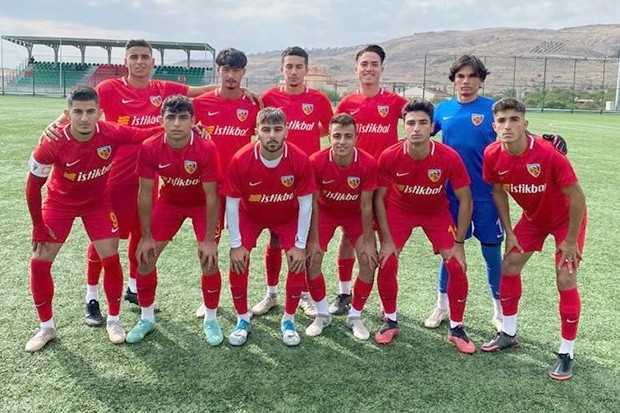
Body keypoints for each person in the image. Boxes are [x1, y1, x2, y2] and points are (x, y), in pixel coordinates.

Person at [40, 39, 240, 327]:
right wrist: (53, 126)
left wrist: (237, 89)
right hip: (116, 180)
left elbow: (198, 91)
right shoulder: (108, 88)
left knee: (140, 236)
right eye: (133, 56)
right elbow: (77, 108)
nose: (139, 62)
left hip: (150, 179)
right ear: (125, 61)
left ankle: (134, 287)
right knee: (103, 240)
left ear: (153, 62)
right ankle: (92, 296)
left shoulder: (163, 89)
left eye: (144, 57)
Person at [24, 86, 158, 352]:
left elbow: (146, 134)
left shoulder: (111, 132)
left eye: (90, 111)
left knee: (111, 259)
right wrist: (38, 226)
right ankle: (46, 327)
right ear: (67, 114)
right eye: (78, 112)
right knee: (39, 263)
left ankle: (114, 320)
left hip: (98, 204)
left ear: (100, 113)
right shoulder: (51, 143)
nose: (84, 118)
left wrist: (187, 128)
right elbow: (32, 187)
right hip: (59, 204)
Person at [481, 97, 587, 381]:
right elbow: (498, 191)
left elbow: (577, 198)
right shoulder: (492, 154)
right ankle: (508, 333)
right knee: (510, 264)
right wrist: (510, 232)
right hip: (534, 218)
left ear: (525, 124)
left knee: (565, 276)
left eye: (514, 120)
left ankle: (566, 352)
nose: (507, 126)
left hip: (566, 219)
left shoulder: (548, 154)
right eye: (502, 121)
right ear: (494, 126)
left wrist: (571, 240)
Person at [373, 99, 475, 354]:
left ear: (432, 127)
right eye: (411, 123)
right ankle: (390, 320)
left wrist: (459, 243)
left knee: (456, 265)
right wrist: (386, 239)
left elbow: (465, 199)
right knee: (387, 261)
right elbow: (378, 198)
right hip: (399, 210)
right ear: (403, 126)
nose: (416, 128)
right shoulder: (390, 156)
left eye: (422, 123)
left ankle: (456, 327)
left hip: (436, 212)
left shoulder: (448, 157)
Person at [127, 95, 222, 345]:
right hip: (169, 203)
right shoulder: (150, 147)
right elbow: (145, 193)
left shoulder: (206, 148)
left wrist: (209, 239)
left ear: (193, 120)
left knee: (209, 260)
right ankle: (146, 318)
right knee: (145, 258)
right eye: (171, 117)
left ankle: (211, 318)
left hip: (202, 205)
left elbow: (212, 196)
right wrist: (146, 236)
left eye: (183, 118)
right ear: (162, 120)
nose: (177, 123)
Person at [251, 46, 334, 318]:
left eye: (299, 66)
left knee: (305, 238)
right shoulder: (268, 97)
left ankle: (304, 294)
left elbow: (330, 128)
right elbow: (257, 128)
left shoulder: (319, 99)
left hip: (306, 179)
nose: (294, 71)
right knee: (275, 239)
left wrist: (308, 135)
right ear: (282, 69)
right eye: (289, 66)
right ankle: (271, 293)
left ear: (306, 70)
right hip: (274, 181)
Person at [223, 107, 315, 347]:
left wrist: (300, 245)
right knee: (238, 260)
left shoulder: (299, 159)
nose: (272, 135)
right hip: (250, 215)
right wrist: (235, 245)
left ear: (286, 131)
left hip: (286, 216)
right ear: (257, 132)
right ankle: (242, 319)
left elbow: (306, 204)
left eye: (277, 129)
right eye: (266, 129)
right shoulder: (241, 159)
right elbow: (231, 203)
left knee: (297, 260)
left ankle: (289, 320)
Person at [425, 55, 504, 331]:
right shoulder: (443, 110)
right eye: (460, 76)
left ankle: (500, 311)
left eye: (472, 76)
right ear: (453, 80)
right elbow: (421, 135)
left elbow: (513, 133)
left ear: (481, 80)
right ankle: (442, 306)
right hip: (452, 195)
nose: (466, 81)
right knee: (450, 253)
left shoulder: (492, 109)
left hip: (486, 195)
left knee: (491, 254)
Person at [333, 44, 408, 316]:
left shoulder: (395, 102)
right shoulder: (347, 104)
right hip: (354, 182)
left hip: (386, 184)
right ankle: (344, 292)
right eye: (364, 64)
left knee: (386, 238)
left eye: (374, 64)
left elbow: (423, 121)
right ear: (356, 70)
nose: (369, 68)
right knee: (348, 236)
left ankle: (382, 301)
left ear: (382, 69)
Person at [192, 48, 260, 319]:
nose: (231, 76)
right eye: (226, 70)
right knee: (208, 246)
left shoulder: (254, 105)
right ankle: (209, 300)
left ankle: (241, 302)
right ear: (218, 71)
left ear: (244, 73)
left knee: (241, 247)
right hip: (209, 190)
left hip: (242, 190)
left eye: (236, 70)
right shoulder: (201, 104)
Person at [305, 113, 378, 340]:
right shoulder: (316, 161)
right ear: (329, 137)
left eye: (348, 136)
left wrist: (369, 242)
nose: (342, 141)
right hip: (325, 213)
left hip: (355, 215)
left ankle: (355, 316)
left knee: (368, 260)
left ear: (356, 137)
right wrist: (314, 240)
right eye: (337, 136)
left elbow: (366, 206)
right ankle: (322, 314)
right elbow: (314, 204)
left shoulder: (367, 162)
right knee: (312, 258)